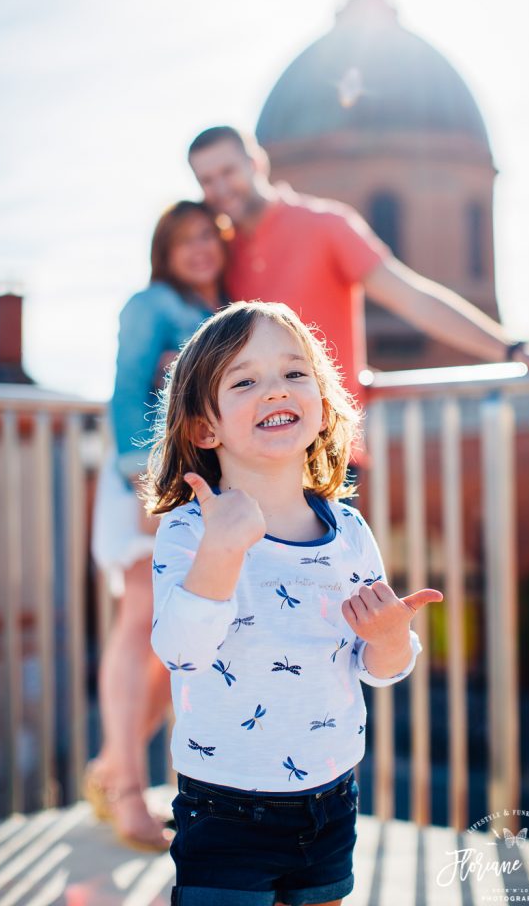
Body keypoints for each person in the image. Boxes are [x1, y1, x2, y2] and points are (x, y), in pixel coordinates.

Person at [145, 300, 444, 905]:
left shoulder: (351, 531)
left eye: (293, 373)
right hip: (224, 804)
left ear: (322, 401)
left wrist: (389, 640)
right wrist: (221, 555)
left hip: (332, 795)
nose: (275, 390)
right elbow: (180, 652)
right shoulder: (189, 533)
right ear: (205, 428)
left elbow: (379, 667)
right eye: (245, 380)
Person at [186, 125, 529, 416]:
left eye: (228, 172)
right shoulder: (217, 251)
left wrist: (510, 349)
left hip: (326, 450)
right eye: (207, 180)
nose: (220, 187)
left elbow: (412, 297)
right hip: (252, 453)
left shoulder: (325, 224)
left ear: (257, 163)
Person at [87, 200, 228, 852]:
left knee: (178, 639)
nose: (199, 248)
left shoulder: (221, 315)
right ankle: (123, 790)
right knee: (140, 621)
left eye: (208, 235)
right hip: (144, 483)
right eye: (185, 239)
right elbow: (123, 392)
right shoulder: (151, 306)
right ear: (164, 250)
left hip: (196, 492)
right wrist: (145, 487)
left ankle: (123, 772)